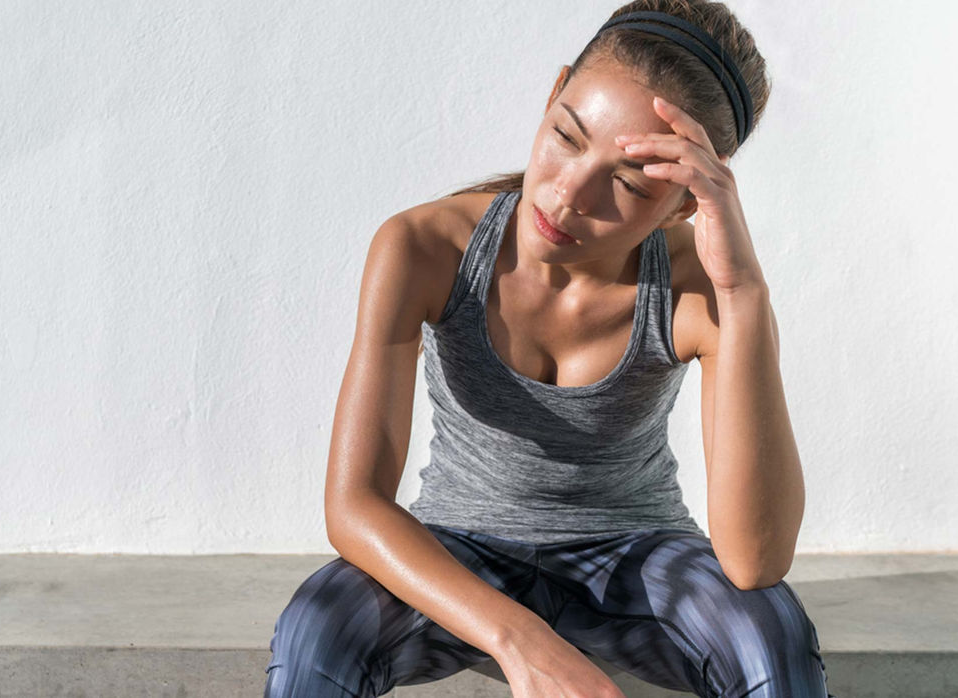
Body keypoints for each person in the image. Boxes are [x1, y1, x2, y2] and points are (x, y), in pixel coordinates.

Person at [265, 1, 834, 696]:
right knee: (316, 626)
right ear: (552, 92)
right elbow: (352, 505)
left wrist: (744, 293)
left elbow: (753, 561)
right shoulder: (423, 247)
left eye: (626, 183)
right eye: (566, 136)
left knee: (768, 627)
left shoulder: (704, 295)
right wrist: (521, 640)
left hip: (637, 562)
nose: (567, 196)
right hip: (461, 552)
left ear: (684, 203)